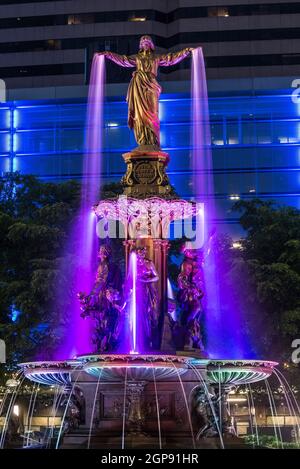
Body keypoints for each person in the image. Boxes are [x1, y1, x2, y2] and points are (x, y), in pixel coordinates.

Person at [98, 35, 193, 149]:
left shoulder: (156, 57)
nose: (145, 44)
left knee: (152, 114)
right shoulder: (137, 58)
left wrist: (186, 51)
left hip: (151, 86)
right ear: (140, 46)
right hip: (138, 86)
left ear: (151, 45)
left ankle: (153, 141)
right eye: (143, 43)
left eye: (148, 42)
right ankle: (143, 141)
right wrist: (108, 54)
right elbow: (123, 60)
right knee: (140, 114)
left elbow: (171, 58)